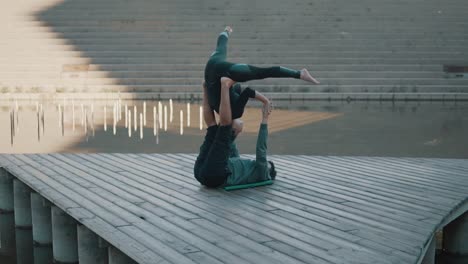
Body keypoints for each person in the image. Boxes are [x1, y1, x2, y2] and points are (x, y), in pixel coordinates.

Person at [204, 26, 319, 119]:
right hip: (210, 67)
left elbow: (248, 92)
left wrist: (266, 101)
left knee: (261, 73)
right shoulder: (221, 109)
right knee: (221, 47)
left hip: (222, 72)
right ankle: (226, 31)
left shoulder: (236, 114)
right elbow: (234, 90)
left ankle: (299, 74)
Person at [194, 77, 276, 188]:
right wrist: (233, 135)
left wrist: (265, 119)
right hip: (201, 173)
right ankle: (206, 88)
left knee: (225, 126)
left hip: (216, 175)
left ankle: (225, 86)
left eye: (268, 164)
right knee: (213, 129)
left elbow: (261, 149)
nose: (266, 163)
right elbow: (231, 150)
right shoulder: (244, 168)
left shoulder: (263, 174)